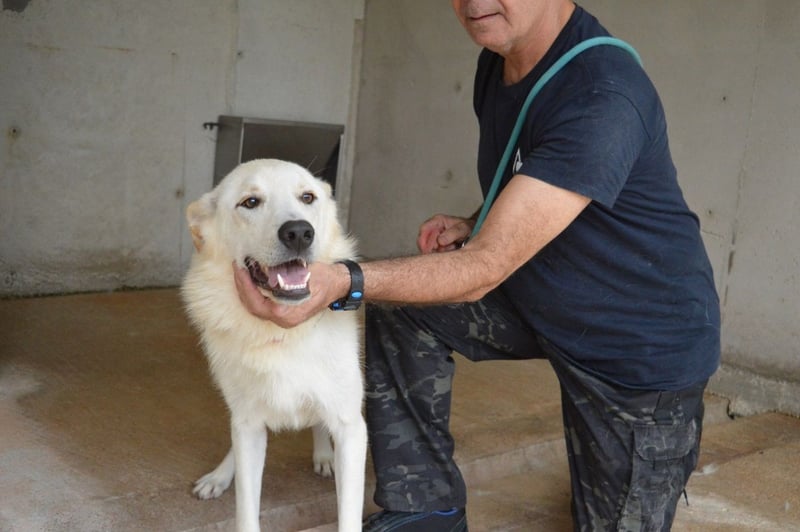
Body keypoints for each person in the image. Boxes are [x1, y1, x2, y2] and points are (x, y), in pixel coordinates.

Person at [233, 0, 721, 530]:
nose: (473, 3)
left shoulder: (602, 94)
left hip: (633, 346)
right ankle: (426, 510)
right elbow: (539, 178)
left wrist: (343, 280)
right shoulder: (499, 60)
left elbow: (484, 268)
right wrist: (476, 220)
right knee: (402, 306)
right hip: (545, 296)